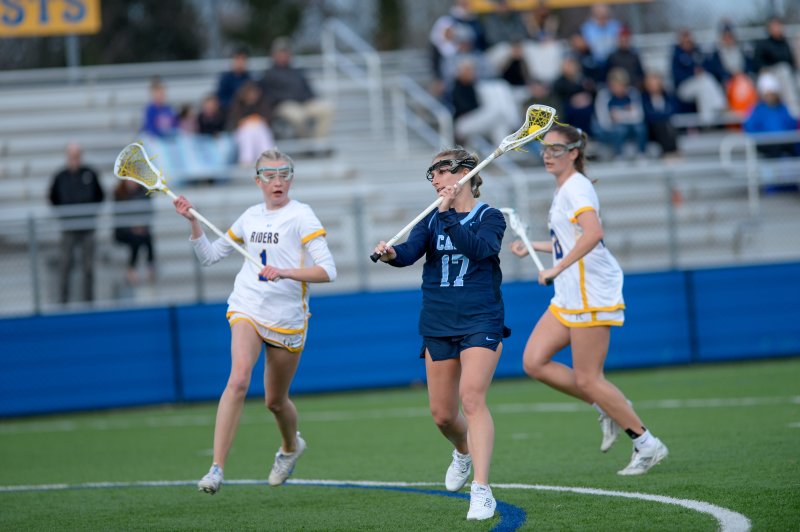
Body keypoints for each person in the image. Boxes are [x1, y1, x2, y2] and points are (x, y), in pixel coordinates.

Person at [174, 148, 337, 495]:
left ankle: (291, 446)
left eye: (283, 174)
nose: (277, 182)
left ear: (291, 178)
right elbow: (210, 256)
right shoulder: (249, 217)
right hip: (247, 306)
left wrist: (286, 272)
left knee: (275, 402)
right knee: (238, 378)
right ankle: (216, 469)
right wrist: (193, 222)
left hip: (287, 318)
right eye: (269, 175)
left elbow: (328, 271)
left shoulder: (302, 216)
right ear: (257, 180)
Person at [509, 124, 669, 476]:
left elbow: (594, 234)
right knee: (534, 362)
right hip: (569, 289)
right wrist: (534, 247)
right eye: (545, 150)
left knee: (588, 378)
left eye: (556, 149)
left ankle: (646, 443)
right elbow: (571, 240)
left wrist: (556, 268)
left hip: (590, 289)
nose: (548, 155)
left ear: (574, 153)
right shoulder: (565, 188)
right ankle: (609, 406)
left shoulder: (576, 188)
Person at [373, 147, 508, 521]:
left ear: (465, 172)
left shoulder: (490, 216)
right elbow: (409, 253)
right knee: (442, 415)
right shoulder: (431, 219)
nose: (434, 179)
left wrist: (447, 215)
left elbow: (480, 249)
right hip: (438, 320)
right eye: (430, 173)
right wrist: (389, 254)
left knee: (472, 398)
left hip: (481, 318)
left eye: (440, 171)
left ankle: (482, 490)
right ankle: (463, 452)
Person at [48, 142, 105, 304]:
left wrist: (90, 213)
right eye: (72, 156)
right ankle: (63, 301)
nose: (75, 159)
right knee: (65, 265)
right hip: (68, 228)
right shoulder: (61, 176)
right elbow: (53, 198)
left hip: (87, 227)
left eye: (77, 156)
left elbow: (100, 195)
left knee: (88, 266)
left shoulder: (89, 173)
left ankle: (89, 302)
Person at [260, 37, 334, 139]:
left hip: (304, 103)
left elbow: (308, 90)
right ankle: (306, 146)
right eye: (281, 52)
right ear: (274, 55)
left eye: (286, 52)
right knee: (300, 117)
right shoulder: (269, 74)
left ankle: (319, 145)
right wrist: (290, 98)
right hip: (284, 106)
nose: (284, 55)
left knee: (327, 109)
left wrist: (309, 98)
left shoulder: (297, 71)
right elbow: (269, 96)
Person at [743, 73, 799, 159]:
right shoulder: (757, 110)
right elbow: (750, 128)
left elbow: (792, 125)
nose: (770, 96)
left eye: (772, 93)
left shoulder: (783, 108)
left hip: (785, 146)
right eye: (768, 94)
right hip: (767, 147)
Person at [113, 179, 156, 285]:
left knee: (146, 236)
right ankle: (132, 268)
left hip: (141, 229)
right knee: (136, 238)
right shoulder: (119, 193)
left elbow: (149, 212)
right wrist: (131, 226)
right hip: (123, 231)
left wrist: (141, 225)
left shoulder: (144, 192)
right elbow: (118, 216)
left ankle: (149, 265)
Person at [226, 80, 275, 165]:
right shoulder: (238, 105)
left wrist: (256, 120)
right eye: (250, 93)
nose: (252, 96)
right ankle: (246, 160)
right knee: (248, 131)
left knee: (260, 129)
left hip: (259, 130)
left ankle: (267, 158)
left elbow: (267, 119)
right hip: (243, 132)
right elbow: (235, 122)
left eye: (254, 93)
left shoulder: (262, 104)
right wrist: (247, 121)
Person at [216, 47, 252, 115]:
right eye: (238, 59)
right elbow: (221, 99)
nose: (240, 62)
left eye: (243, 59)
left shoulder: (249, 78)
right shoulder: (225, 79)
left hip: (247, 113)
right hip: (230, 113)